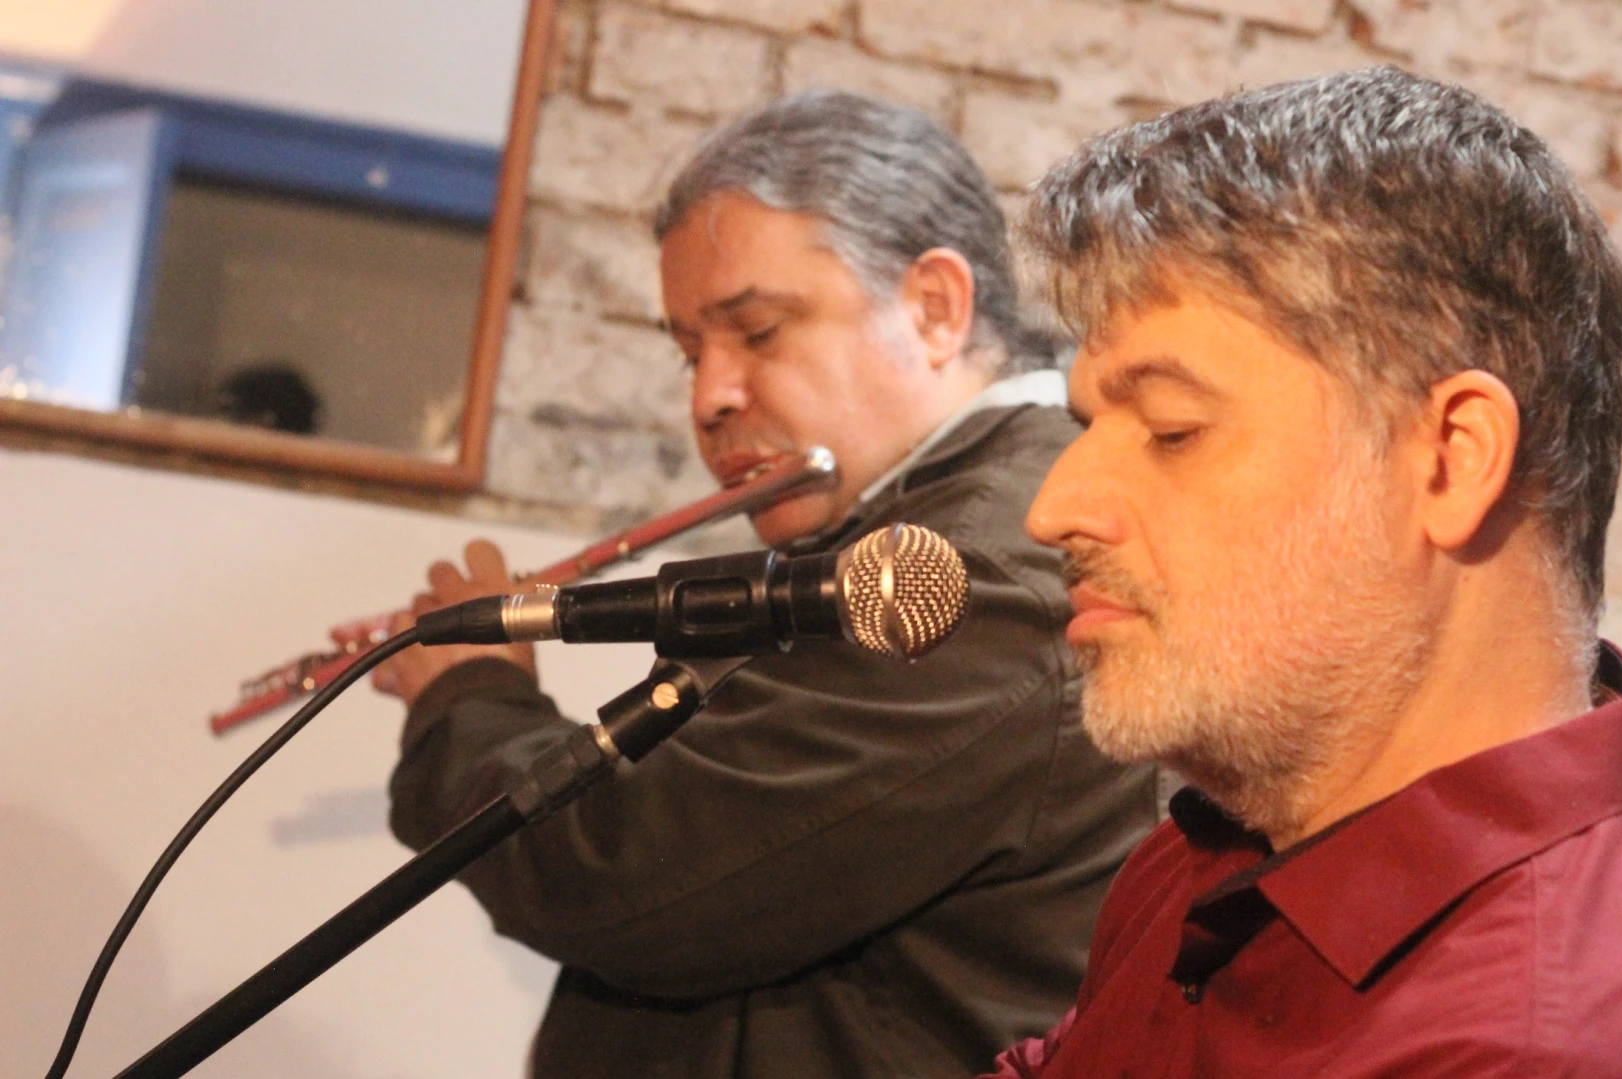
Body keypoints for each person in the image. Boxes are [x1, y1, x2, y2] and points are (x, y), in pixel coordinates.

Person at [989, 68, 1622, 1077]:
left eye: (1172, 429)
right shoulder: (1237, 837)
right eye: (1086, 425)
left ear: (1451, 458)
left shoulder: (1552, 1049)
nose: (1054, 508)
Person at [372, 90, 1158, 1078]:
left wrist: (466, 696)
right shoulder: (897, 531)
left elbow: (629, 873)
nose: (709, 397)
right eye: (690, 352)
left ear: (934, 308)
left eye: (758, 331)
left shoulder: (973, 571)